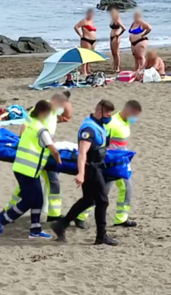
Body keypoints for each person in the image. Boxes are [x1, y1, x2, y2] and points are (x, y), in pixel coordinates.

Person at [50, 100, 119, 246]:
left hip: (96, 166)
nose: (109, 117)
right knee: (102, 201)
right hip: (90, 168)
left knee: (89, 199)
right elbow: (82, 153)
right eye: (107, 114)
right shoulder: (89, 129)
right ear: (99, 112)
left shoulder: (99, 124)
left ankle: (61, 224)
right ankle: (101, 236)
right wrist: (81, 173)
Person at [0, 100, 62, 239]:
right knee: (29, 200)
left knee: (38, 199)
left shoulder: (31, 125)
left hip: (24, 168)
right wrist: (59, 162)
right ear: (44, 113)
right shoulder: (41, 130)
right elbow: (53, 150)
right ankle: (3, 218)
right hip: (28, 169)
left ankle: (35, 229)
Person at [75, 101, 142, 228]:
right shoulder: (112, 123)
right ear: (127, 111)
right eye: (134, 115)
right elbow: (101, 142)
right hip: (109, 163)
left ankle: (121, 218)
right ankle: (80, 216)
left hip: (120, 162)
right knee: (101, 192)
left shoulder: (125, 122)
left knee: (126, 189)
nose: (135, 119)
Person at [4, 93, 69, 222]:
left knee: (50, 182)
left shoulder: (53, 112)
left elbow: (66, 117)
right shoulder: (42, 108)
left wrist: (59, 120)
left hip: (44, 152)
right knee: (28, 186)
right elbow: (24, 126)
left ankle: (53, 214)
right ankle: (8, 210)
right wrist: (24, 146)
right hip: (36, 153)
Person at [74, 8, 96, 76]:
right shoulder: (84, 21)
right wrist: (80, 35)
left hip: (93, 40)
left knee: (90, 56)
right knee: (85, 56)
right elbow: (76, 27)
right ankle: (84, 71)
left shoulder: (91, 21)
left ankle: (88, 69)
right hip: (86, 40)